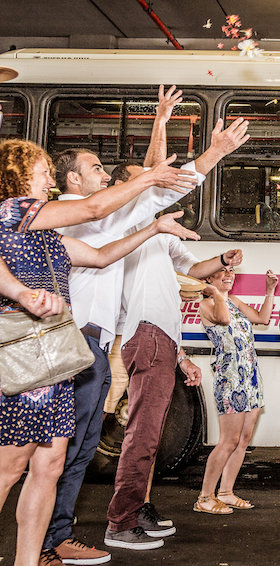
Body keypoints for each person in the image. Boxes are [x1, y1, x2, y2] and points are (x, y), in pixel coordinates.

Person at [41, 84, 237, 565]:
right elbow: (151, 184)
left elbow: (148, 194)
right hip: (80, 338)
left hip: (97, 342)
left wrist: (155, 219)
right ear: (72, 179)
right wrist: (213, 152)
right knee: (59, 450)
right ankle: (56, 539)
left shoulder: (104, 220)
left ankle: (58, 536)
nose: (106, 177)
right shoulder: (85, 214)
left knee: (81, 447)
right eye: (96, 169)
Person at [0, 139, 199, 566]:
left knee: (50, 467)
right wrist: (149, 177)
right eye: (42, 171)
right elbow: (93, 210)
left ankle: (30, 560)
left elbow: (102, 255)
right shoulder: (11, 213)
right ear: (17, 175)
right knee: (11, 468)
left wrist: (153, 229)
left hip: (56, 361)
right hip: (25, 361)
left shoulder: (46, 233)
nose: (50, 179)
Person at [104, 114, 250, 551]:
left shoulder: (157, 234)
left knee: (151, 434)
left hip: (163, 338)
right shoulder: (126, 218)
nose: (150, 183)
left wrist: (223, 259)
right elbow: (166, 181)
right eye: (141, 180)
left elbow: (195, 268)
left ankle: (138, 508)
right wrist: (216, 150)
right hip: (145, 335)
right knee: (142, 435)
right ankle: (121, 521)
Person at [193, 266, 278, 515]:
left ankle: (226, 492)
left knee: (243, 439)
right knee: (228, 440)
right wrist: (217, 293)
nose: (228, 275)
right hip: (230, 378)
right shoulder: (208, 305)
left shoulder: (234, 300)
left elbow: (262, 318)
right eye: (222, 272)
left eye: (231, 271)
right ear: (209, 277)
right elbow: (225, 319)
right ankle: (204, 497)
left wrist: (270, 291)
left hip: (249, 376)